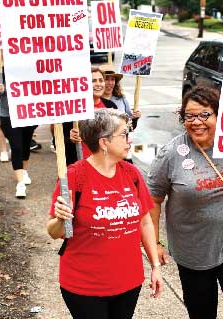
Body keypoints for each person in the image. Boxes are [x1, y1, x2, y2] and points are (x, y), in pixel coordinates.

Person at [147, 86, 223, 319]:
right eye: (189, 116)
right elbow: (153, 199)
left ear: (219, 115)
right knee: (201, 312)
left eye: (204, 115)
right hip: (193, 251)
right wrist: (155, 242)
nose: (196, 122)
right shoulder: (171, 154)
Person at [47, 108, 163, 319]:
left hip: (129, 282)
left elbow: (145, 223)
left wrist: (155, 266)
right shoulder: (74, 177)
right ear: (104, 142)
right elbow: (54, 232)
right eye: (123, 134)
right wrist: (60, 218)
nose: (129, 139)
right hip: (85, 287)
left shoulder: (132, 173)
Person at [0, 67, 37, 198]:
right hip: (9, 116)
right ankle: (20, 183)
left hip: (30, 114)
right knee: (16, 146)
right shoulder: (0, 72)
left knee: (25, 145)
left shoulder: (31, 69)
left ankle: (23, 171)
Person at [63, 67, 117, 165]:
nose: (98, 84)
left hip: (107, 165)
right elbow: (58, 141)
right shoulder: (74, 108)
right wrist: (71, 139)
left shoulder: (111, 106)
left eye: (101, 80)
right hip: (82, 167)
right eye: (93, 81)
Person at [99, 64, 141, 131]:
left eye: (112, 79)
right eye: (106, 79)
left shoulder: (121, 99)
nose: (110, 83)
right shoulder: (93, 100)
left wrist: (135, 118)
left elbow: (130, 127)